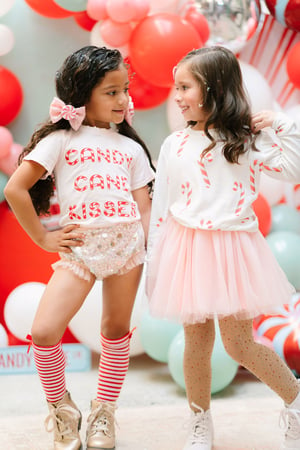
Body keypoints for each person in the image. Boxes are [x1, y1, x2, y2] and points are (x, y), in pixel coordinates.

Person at [146, 46, 300, 450]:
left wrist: (282, 125)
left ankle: (297, 402)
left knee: (239, 344)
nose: (177, 96)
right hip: (187, 250)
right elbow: (162, 207)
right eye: (175, 87)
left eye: (184, 87)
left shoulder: (244, 141)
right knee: (197, 342)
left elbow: (294, 168)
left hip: (233, 249)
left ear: (212, 89)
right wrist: (155, 263)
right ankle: (200, 423)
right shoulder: (174, 145)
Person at [4, 45, 155, 450]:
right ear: (84, 91)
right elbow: (15, 188)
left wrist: (151, 251)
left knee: (115, 329)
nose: (123, 100)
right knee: (44, 331)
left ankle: (104, 413)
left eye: (125, 90)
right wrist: (42, 237)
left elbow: (144, 207)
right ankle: (63, 410)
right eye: (111, 92)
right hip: (79, 251)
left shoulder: (132, 148)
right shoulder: (60, 138)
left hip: (128, 249)